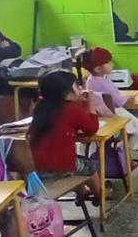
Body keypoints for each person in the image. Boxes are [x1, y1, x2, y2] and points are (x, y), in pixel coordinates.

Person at [27, 70, 102, 203]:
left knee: (77, 163)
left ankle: (82, 192)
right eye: (76, 86)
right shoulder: (70, 110)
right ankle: (100, 195)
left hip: (35, 167)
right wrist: (91, 104)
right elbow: (91, 128)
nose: (79, 89)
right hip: (59, 168)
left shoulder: (41, 107)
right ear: (66, 93)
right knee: (89, 165)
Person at [81, 47, 138, 152]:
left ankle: (120, 147)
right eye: (108, 62)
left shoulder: (89, 80)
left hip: (100, 113)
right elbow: (120, 102)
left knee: (127, 131)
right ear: (98, 69)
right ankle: (125, 151)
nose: (112, 64)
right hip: (114, 112)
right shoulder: (105, 84)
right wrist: (129, 99)